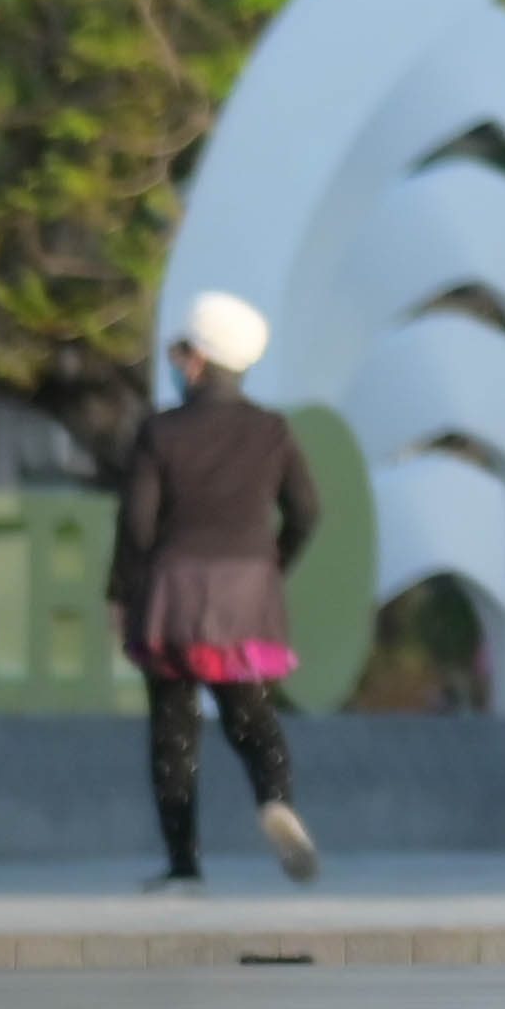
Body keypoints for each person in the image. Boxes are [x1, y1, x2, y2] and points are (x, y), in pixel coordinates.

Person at [108, 291, 319, 892]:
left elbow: (137, 526)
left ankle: (184, 863)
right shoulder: (272, 431)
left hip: (173, 597)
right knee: (251, 715)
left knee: (174, 729)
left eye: (179, 351)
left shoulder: (161, 431)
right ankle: (276, 800)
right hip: (248, 596)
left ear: (197, 360)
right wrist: (272, 562)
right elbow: (307, 509)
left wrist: (121, 594)